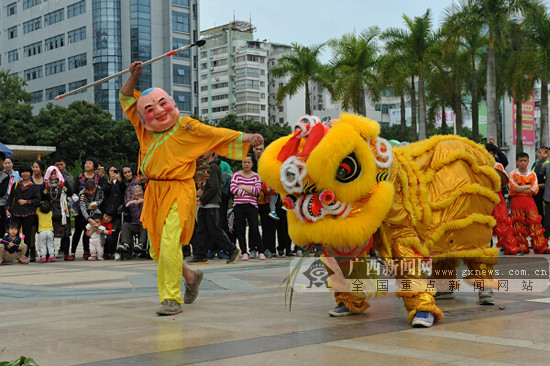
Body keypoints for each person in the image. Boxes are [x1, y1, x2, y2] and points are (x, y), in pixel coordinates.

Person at [119, 60, 263, 316]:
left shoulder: (187, 127)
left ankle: (170, 298)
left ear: (172, 101)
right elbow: (127, 96)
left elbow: (215, 135)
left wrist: (248, 138)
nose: (159, 111)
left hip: (179, 190)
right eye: (150, 110)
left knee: (171, 241)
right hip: (153, 193)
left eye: (163, 103)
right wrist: (135, 74)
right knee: (157, 250)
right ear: (143, 116)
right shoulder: (143, 129)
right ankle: (190, 276)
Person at [188, 151, 241, 264]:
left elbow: (214, 188)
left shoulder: (214, 167)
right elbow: (209, 187)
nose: (202, 152)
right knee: (202, 231)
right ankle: (200, 255)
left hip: (211, 204)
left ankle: (232, 250)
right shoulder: (207, 167)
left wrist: (202, 199)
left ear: (212, 153)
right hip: (205, 204)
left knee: (215, 230)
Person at [509, 152, 550, 254]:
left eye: (525, 161)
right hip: (516, 202)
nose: (523, 163)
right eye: (520, 161)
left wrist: (520, 189)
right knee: (518, 224)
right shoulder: (513, 174)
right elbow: (514, 188)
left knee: (535, 223)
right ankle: (521, 247)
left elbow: (534, 190)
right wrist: (528, 186)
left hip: (529, 201)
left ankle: (540, 247)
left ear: (528, 162)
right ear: (517, 162)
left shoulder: (532, 174)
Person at [230, 155, 264, 261]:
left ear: (252, 164)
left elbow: (257, 190)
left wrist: (243, 187)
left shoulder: (256, 176)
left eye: (248, 162)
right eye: (244, 162)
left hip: (252, 206)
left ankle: (261, 251)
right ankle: (244, 252)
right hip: (238, 206)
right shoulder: (236, 175)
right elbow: (232, 188)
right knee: (240, 229)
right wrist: (247, 192)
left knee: (254, 228)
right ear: (242, 163)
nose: (246, 164)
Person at [5, 165, 40, 262]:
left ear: (30, 173)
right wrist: (7, 209)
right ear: (20, 174)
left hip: (29, 214)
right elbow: (10, 198)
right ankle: (14, 254)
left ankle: (25, 255)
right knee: (14, 235)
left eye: (27, 172)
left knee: (27, 235)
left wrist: (26, 201)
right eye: (23, 172)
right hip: (16, 213)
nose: (25, 174)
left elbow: (37, 200)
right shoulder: (16, 184)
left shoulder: (34, 187)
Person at [72, 157, 102, 260]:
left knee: (88, 230)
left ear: (94, 166)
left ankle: (86, 251)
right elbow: (75, 192)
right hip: (81, 208)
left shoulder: (98, 178)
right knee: (77, 231)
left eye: (90, 163)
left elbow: (101, 193)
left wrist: (96, 203)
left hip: (93, 209)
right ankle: (72, 252)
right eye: (86, 163)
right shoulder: (79, 177)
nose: (87, 165)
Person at [44, 166, 73, 260]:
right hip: (51, 212)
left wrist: (63, 187)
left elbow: (71, 193)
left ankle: (66, 254)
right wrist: (46, 189)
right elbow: (42, 197)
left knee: (65, 234)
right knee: (50, 234)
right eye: (51, 174)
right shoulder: (46, 184)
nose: (53, 176)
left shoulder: (63, 182)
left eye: (55, 173)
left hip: (63, 211)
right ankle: (49, 253)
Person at [117, 185, 147, 254]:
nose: (139, 193)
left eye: (140, 191)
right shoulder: (130, 201)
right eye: (137, 192)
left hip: (143, 223)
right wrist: (130, 203)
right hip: (133, 223)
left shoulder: (147, 200)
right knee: (125, 225)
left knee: (145, 225)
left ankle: (141, 244)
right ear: (133, 195)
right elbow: (119, 210)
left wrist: (145, 201)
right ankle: (125, 244)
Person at [532, 147, 548, 218]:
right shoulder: (536, 164)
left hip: (544, 192)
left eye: (543, 152)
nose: (540, 154)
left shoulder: (548, 164)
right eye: (539, 152)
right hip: (535, 191)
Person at [0, 152, 9, 237]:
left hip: (1, 205)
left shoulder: (5, 175)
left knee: (1, 227)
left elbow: (2, 192)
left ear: (2, 161)